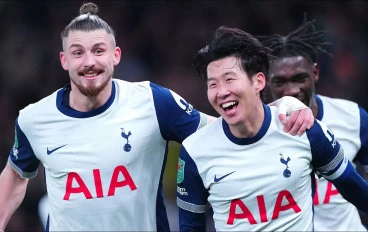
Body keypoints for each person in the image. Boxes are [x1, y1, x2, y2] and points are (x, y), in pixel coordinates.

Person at [0, 3, 314, 231]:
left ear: (115, 56)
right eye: (78, 53)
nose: (89, 62)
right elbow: (15, 178)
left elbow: (223, 128)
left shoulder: (152, 101)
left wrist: (281, 108)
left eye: (99, 50)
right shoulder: (33, 119)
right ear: (64, 60)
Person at [176, 26, 368, 231]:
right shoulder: (194, 152)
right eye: (213, 84)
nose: (221, 91)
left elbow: (352, 186)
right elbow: (190, 227)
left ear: (258, 81)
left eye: (230, 79)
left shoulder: (304, 128)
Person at [258, 17, 368, 231]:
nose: (291, 90)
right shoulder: (255, 132)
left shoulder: (353, 117)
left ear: (315, 73)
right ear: (265, 82)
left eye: (299, 78)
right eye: (280, 81)